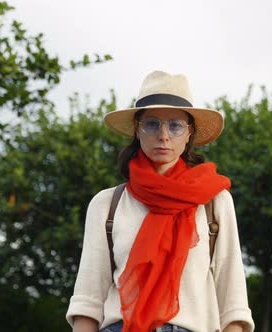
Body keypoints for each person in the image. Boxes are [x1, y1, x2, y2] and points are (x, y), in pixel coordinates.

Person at [66, 71, 254, 332]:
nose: (163, 135)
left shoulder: (215, 202)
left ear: (189, 133)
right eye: (152, 124)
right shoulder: (107, 204)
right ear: (137, 129)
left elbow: (232, 297)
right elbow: (88, 300)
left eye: (175, 125)